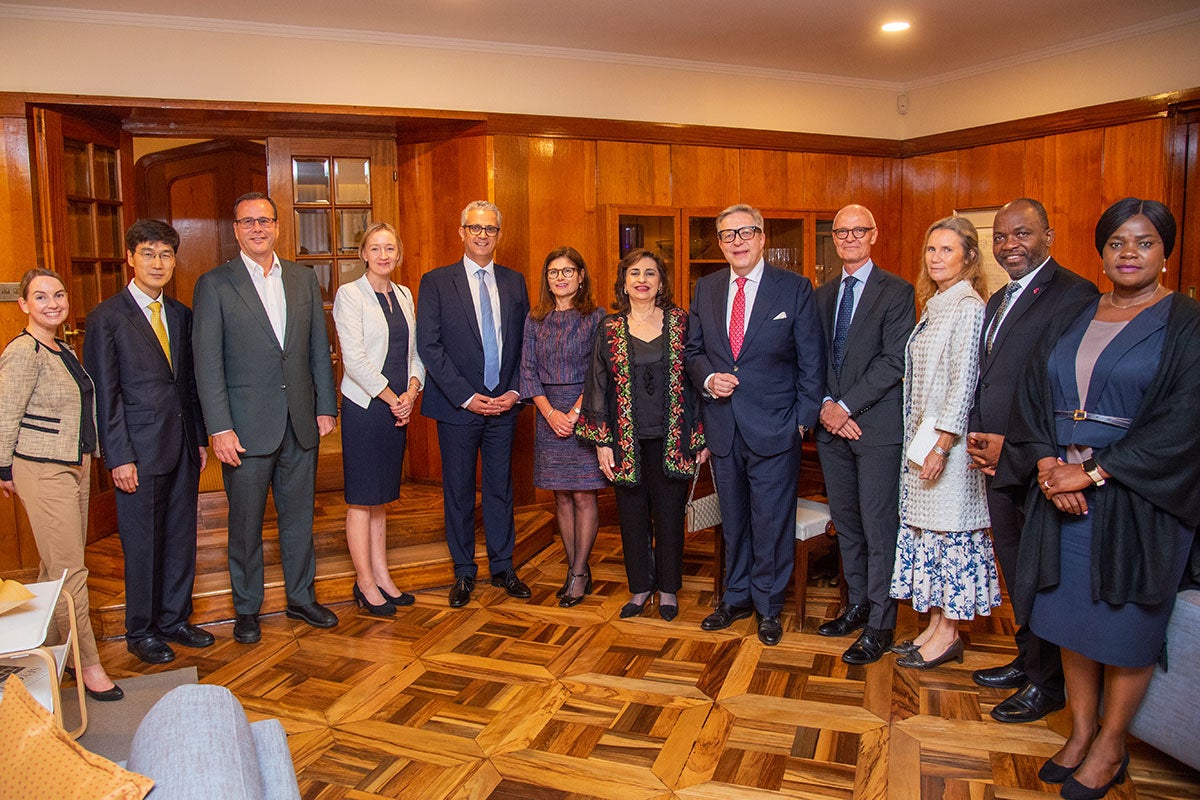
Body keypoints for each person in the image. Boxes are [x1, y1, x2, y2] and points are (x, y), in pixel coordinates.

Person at [996, 198, 1200, 799]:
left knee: (1124, 630)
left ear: (1165, 252)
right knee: (1069, 619)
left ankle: (1112, 747)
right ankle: (1082, 732)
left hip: (1137, 501)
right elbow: (1034, 394)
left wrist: (1094, 475)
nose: (1129, 253)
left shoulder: (1186, 322)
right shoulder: (1077, 312)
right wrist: (1047, 463)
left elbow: (1185, 421)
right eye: (1116, 243)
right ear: (1101, 251)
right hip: (1059, 489)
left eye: (1143, 243)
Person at [965, 199, 1097, 723]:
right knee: (1016, 572)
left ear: (1049, 236)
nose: (1009, 245)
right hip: (996, 464)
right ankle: (1028, 660)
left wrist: (1013, 446)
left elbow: (1056, 386)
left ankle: (1049, 684)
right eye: (1000, 237)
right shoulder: (998, 298)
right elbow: (991, 375)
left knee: (1041, 576)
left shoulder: (1074, 294)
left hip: (1035, 463)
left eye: (1021, 233)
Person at [192, 192, 339, 643]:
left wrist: (324, 406)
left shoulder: (301, 278)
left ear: (277, 227)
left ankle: (301, 598)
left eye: (265, 221)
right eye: (248, 221)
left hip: (299, 421)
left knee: (299, 519)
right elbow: (207, 362)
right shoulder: (215, 283)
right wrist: (218, 426)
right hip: (244, 427)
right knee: (245, 524)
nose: (258, 228)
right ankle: (247, 608)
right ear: (236, 229)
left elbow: (318, 347)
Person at [685, 203, 824, 646]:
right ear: (721, 244)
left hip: (776, 428)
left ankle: (769, 606)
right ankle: (736, 596)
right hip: (723, 427)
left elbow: (811, 362)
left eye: (745, 232)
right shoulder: (705, 288)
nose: (737, 241)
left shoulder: (795, 288)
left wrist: (801, 423)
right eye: (727, 235)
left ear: (763, 238)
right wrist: (708, 377)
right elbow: (692, 352)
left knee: (772, 520)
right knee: (734, 518)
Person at [83, 220, 214, 665]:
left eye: (166, 255)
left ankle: (176, 619)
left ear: (174, 261)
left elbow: (189, 385)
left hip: (181, 446)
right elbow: (106, 393)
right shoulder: (107, 317)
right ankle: (141, 630)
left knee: (181, 537)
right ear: (131, 258)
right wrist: (118, 456)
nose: (158, 263)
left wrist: (197, 438)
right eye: (149, 254)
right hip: (136, 452)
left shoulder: (180, 314)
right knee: (143, 543)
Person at [0, 269, 122, 701]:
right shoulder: (22, 352)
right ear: (24, 304)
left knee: (54, 569)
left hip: (73, 465)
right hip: (41, 469)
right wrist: (3, 470)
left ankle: (40, 654)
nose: (52, 303)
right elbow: (4, 414)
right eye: (40, 296)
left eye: (58, 294)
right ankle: (87, 663)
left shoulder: (62, 347)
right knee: (72, 572)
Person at [888, 216, 999, 670]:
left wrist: (941, 445)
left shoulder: (969, 306)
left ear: (970, 258)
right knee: (929, 539)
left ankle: (949, 633)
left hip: (946, 450)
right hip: (923, 443)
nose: (936, 258)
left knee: (950, 539)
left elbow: (964, 383)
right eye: (931, 250)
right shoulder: (938, 303)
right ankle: (935, 626)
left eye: (947, 250)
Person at [579, 248, 705, 620]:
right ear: (624, 283)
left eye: (650, 273)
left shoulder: (682, 323)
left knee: (668, 515)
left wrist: (699, 436)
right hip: (624, 441)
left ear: (661, 282)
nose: (642, 280)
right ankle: (639, 588)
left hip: (673, 438)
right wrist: (602, 439)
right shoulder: (610, 328)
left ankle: (667, 588)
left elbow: (696, 382)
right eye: (635, 273)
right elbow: (597, 383)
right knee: (631, 515)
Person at [416, 200, 531, 608]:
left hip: (504, 406)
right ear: (461, 232)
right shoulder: (435, 282)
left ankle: (503, 566)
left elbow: (524, 344)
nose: (483, 235)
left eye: (490, 229)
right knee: (460, 491)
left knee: (501, 489)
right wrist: (466, 397)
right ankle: (464, 571)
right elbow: (429, 347)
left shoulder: (515, 281)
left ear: (499, 235)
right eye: (475, 228)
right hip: (458, 408)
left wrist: (515, 392)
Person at [814, 204, 915, 664]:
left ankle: (881, 622)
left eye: (859, 230)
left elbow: (894, 360)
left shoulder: (897, 291)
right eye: (841, 231)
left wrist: (845, 407)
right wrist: (826, 409)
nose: (850, 237)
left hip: (874, 429)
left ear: (873, 235)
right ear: (833, 239)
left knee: (879, 529)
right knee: (848, 526)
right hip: (832, 431)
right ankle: (856, 605)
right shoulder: (822, 295)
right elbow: (812, 361)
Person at [332, 222, 425, 616]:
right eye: (375, 248)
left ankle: (383, 575)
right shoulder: (349, 295)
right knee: (362, 499)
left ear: (398, 254)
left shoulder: (404, 295)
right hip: (366, 408)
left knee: (382, 498)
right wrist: (392, 398)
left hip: (398, 407)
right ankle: (364, 582)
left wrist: (412, 392)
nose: (383, 255)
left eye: (390, 248)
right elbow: (355, 360)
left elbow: (415, 354)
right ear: (363, 254)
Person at [520, 246, 606, 607]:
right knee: (561, 495)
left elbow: (600, 370)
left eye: (568, 271)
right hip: (547, 414)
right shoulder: (535, 319)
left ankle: (579, 571)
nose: (560, 277)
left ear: (581, 276)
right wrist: (549, 413)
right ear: (547, 279)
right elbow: (527, 371)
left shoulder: (596, 317)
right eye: (554, 272)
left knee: (584, 494)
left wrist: (572, 413)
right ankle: (575, 568)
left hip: (585, 410)